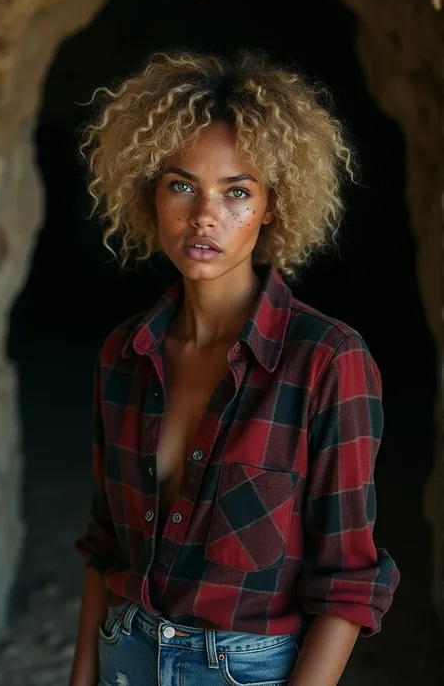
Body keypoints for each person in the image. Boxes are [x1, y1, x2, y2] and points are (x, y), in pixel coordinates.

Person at [69, 51, 399, 686]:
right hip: (124, 659)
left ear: (274, 205)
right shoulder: (123, 354)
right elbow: (104, 545)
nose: (204, 216)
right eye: (182, 184)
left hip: (242, 672)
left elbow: (349, 586)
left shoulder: (327, 360)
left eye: (237, 191)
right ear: (150, 191)